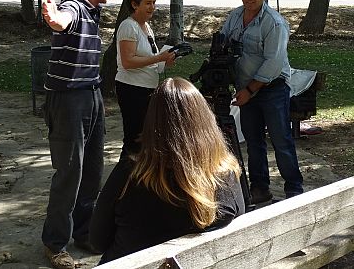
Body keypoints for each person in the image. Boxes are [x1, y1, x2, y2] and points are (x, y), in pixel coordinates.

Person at [89, 77, 245, 263]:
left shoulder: (130, 174)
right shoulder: (226, 174)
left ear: (152, 123)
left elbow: (97, 241)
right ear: (206, 122)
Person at [39, 0, 116, 269]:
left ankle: (85, 233)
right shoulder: (75, 6)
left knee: (92, 170)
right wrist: (53, 17)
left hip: (90, 94)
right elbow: (62, 19)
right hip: (68, 99)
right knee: (70, 172)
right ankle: (54, 244)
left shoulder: (94, 11)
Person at [220, 0, 303, 204]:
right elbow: (223, 44)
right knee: (253, 141)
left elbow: (273, 64)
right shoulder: (235, 17)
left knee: (281, 140)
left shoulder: (274, 23)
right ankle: (260, 188)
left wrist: (249, 91)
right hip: (247, 90)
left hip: (272, 88)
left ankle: (294, 189)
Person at [115, 0, 176, 156]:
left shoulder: (146, 26)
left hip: (147, 87)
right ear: (135, 4)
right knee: (134, 139)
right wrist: (159, 58)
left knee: (146, 138)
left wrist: (165, 61)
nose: (152, 7)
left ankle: (139, 171)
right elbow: (127, 61)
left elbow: (149, 59)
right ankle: (125, 172)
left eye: (154, 2)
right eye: (148, 3)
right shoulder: (128, 26)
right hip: (132, 89)